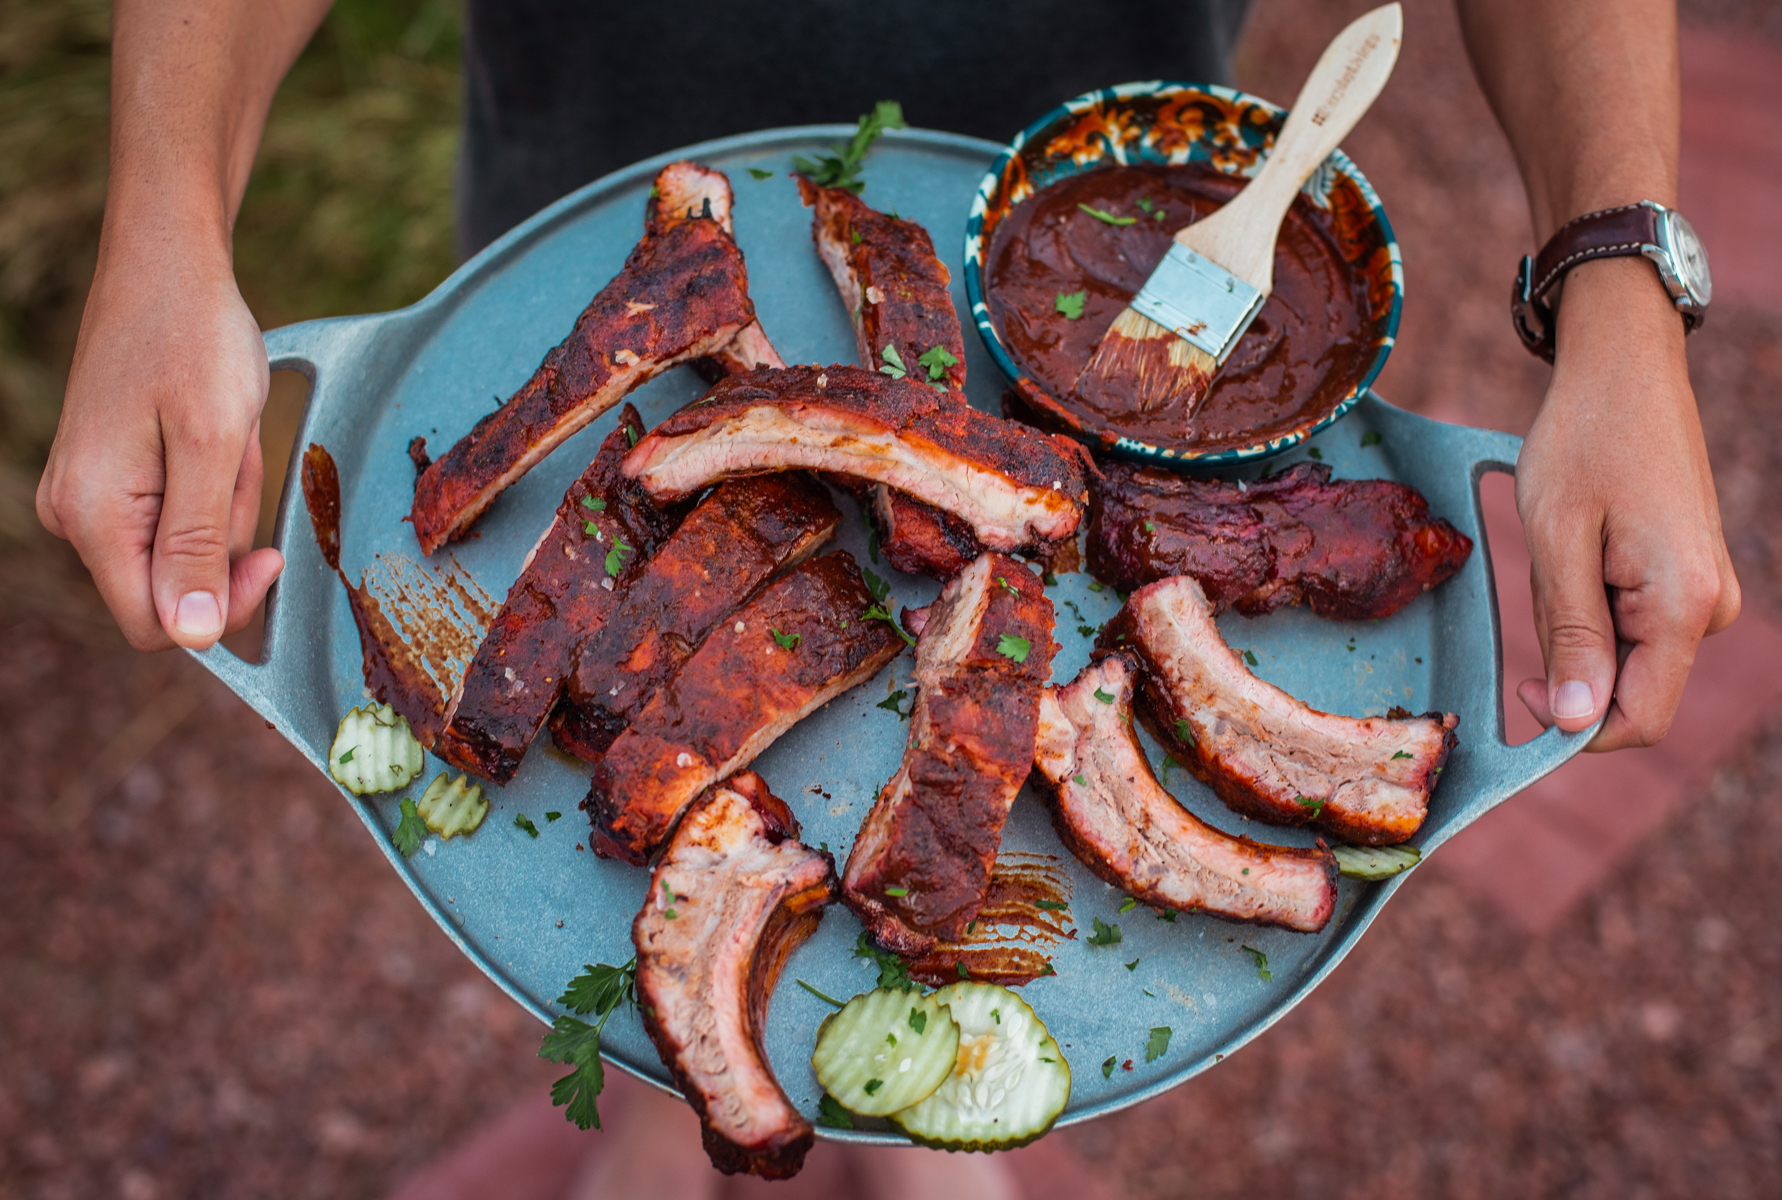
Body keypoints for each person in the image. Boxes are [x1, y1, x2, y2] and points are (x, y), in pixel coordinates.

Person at [35, 0, 1738, 748]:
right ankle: (644, 1092)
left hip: (1108, 264)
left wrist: (1618, 287)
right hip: (592, 222)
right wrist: (168, 212)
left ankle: (931, 1114)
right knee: (587, 738)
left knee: (976, 731)